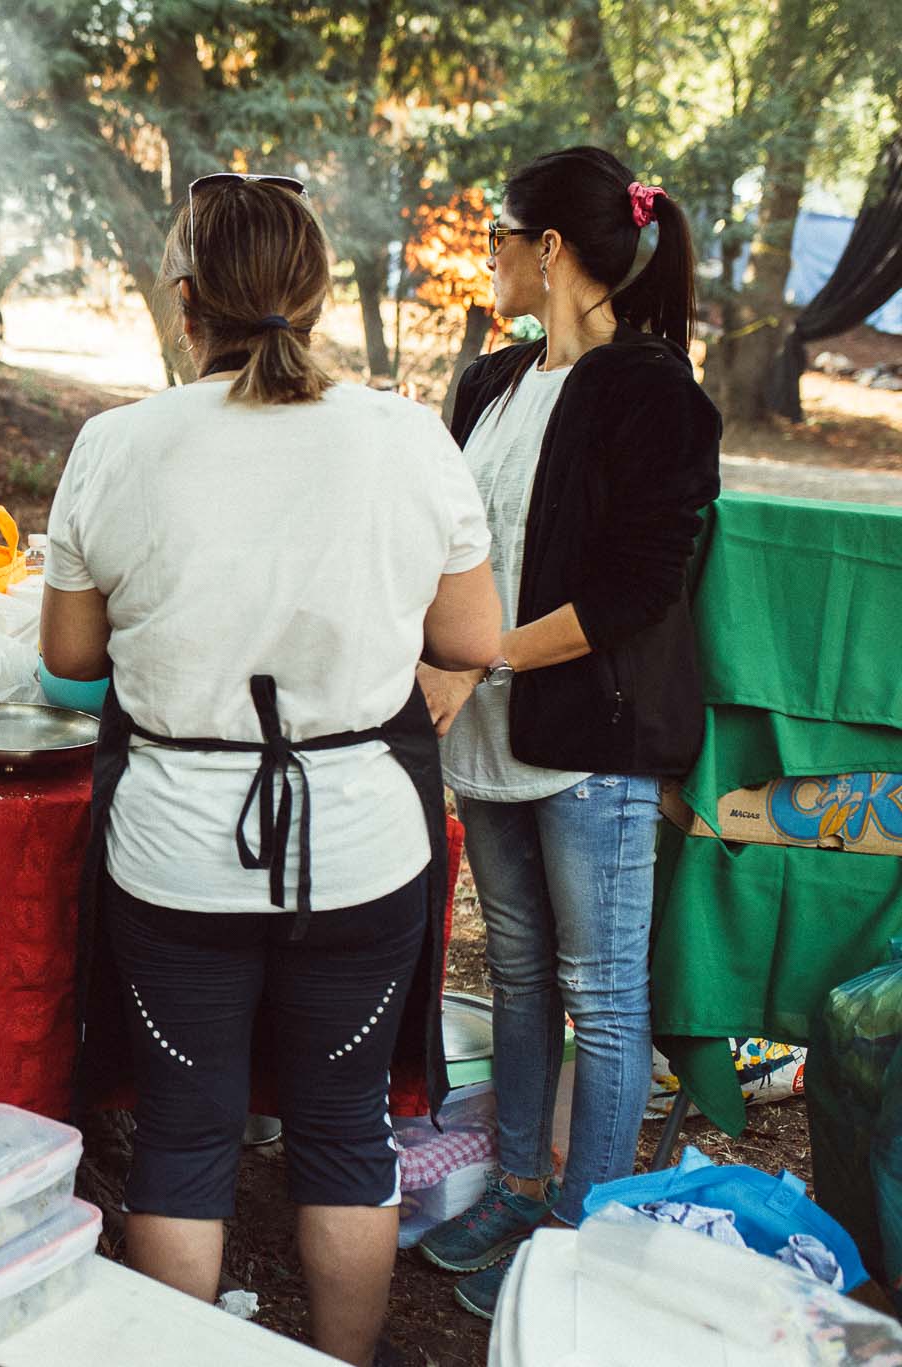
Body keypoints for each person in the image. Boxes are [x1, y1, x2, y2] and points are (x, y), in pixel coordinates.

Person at [41, 176, 501, 1366]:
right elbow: (468, 639)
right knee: (344, 1131)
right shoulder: (406, 437)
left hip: (174, 850)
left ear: (184, 302)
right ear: (316, 297)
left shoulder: (115, 443)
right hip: (359, 848)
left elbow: (68, 657)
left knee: (184, 1141)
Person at [414, 147, 720, 1320]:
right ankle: (519, 1182)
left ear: (547, 250)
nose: (484, 252)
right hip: (487, 735)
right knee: (522, 971)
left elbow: (640, 585)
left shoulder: (651, 390)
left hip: (589, 741)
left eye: (498, 232)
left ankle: (582, 1231)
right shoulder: (491, 381)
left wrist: (476, 657)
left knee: (601, 989)